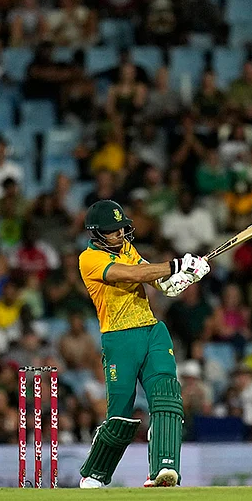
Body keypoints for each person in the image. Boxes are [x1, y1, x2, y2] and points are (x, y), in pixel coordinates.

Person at [76, 200, 210, 488]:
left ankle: (164, 467)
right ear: (97, 234)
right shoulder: (89, 259)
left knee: (167, 395)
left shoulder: (125, 247)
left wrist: (180, 279)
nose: (121, 234)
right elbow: (132, 275)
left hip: (152, 331)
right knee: (120, 416)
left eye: (122, 228)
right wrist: (175, 265)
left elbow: (149, 272)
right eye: (113, 231)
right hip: (119, 338)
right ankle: (95, 473)